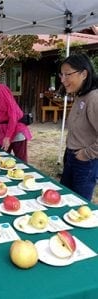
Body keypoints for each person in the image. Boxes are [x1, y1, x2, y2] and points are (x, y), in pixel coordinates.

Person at [59, 53, 98, 201]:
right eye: (61, 75)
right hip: (71, 156)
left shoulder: (94, 97)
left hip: (85, 162)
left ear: (84, 74)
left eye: (67, 74)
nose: (63, 80)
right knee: (65, 200)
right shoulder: (81, 95)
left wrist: (86, 154)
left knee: (78, 204)